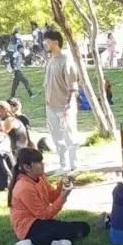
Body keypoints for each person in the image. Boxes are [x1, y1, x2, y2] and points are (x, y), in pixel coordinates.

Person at [9, 148, 90, 245]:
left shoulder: (40, 177)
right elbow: (44, 215)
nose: (42, 164)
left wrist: (62, 185)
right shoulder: (24, 187)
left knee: (84, 227)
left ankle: (52, 242)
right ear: (27, 167)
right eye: (38, 162)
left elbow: (51, 196)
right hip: (27, 227)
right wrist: (63, 197)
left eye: (41, 161)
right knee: (67, 230)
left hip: (40, 222)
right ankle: (30, 242)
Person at [43, 29, 80, 174]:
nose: (44, 43)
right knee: (57, 137)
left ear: (56, 42)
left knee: (69, 135)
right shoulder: (50, 61)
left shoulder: (66, 61)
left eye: (47, 40)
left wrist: (68, 107)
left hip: (64, 107)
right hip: (50, 106)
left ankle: (74, 166)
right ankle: (63, 165)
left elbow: (73, 87)